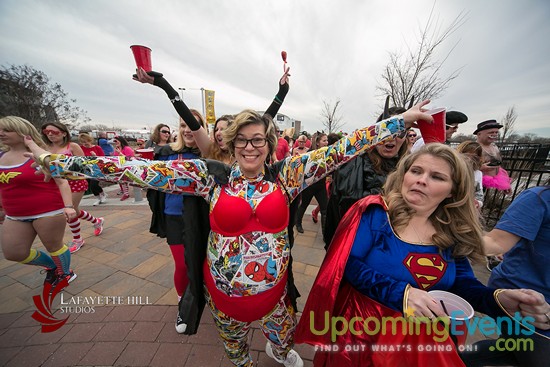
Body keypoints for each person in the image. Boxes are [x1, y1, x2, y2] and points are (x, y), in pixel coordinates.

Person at [26, 90, 432, 366]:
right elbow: (136, 170)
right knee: (236, 356)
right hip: (224, 297)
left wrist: (399, 122)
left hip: (274, 296)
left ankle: (278, 349)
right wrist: (57, 162)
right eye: (242, 139)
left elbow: (347, 146)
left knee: (283, 341)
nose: (250, 146)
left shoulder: (287, 175)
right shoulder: (209, 176)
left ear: (270, 144)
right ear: (232, 142)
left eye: (258, 139)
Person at [295, 143, 550, 367]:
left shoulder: (450, 230)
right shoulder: (374, 213)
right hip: (363, 331)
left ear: (452, 190)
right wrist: (403, 294)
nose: (421, 180)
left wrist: (499, 300)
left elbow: (463, 284)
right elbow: (349, 266)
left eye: (436, 176)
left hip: (421, 342)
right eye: (416, 171)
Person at [460, 183, 550, 367]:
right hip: (523, 296)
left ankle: (453, 358)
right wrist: (442, 237)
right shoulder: (539, 198)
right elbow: (495, 241)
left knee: (515, 351)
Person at [146, 110, 209, 334]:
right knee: (182, 264)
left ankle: (204, 296)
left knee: (204, 262)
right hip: (174, 215)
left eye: (193, 125)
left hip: (203, 218)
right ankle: (184, 303)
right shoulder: (165, 153)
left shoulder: (208, 153)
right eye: (183, 124)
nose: (187, 129)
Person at [0, 116, 77, 287]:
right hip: (14, 214)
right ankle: (52, 267)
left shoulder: (41, 153)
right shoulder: (1, 155)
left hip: (47, 211)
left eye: (7, 130)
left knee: (54, 246)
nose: (1, 133)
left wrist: (69, 207)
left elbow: (61, 181)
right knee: (14, 253)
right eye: (0, 130)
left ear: (23, 132)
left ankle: (64, 273)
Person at [323, 106, 408, 247]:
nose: (392, 138)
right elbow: (346, 208)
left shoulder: (411, 168)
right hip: (356, 246)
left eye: (400, 132)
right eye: (387, 130)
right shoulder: (354, 163)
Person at [41, 121, 104, 253]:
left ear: (64, 133)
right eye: (47, 132)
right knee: (74, 210)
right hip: (56, 184)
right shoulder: (45, 147)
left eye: (54, 132)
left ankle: (78, 239)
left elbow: (84, 166)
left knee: (70, 211)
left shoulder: (73, 146)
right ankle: (96, 221)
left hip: (75, 182)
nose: (51, 134)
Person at [295, 132, 329, 234]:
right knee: (304, 205)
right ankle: (298, 223)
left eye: (327, 140)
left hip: (321, 186)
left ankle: (325, 233)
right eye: (324, 141)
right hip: (309, 185)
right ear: (318, 142)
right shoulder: (310, 153)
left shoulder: (327, 152)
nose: (326, 142)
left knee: (325, 209)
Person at [474, 119, 512, 193]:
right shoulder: (473, 147)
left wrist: (505, 184)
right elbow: (462, 167)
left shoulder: (495, 147)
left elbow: (498, 166)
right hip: (474, 183)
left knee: (480, 203)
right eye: (491, 132)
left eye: (496, 132)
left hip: (487, 185)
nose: (494, 134)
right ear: (479, 134)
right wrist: (479, 168)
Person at [78, 133, 108, 206]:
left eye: (86, 141)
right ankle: (98, 198)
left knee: (93, 184)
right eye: (83, 142)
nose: (85, 144)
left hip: (97, 169)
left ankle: (102, 194)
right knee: (89, 185)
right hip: (86, 169)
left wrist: (95, 156)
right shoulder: (80, 148)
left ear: (90, 140)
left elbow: (103, 159)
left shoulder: (97, 148)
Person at [456, 140, 484, 209]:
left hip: (466, 208)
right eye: (466, 155)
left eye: (475, 156)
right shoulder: (453, 170)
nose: (470, 159)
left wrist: (478, 203)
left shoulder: (478, 174)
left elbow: (479, 194)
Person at [112, 136, 135, 201]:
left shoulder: (127, 148)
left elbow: (130, 159)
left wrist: (120, 153)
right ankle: (125, 193)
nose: (115, 143)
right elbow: (116, 158)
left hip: (129, 167)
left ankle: (126, 193)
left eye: (116, 141)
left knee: (125, 180)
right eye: (114, 141)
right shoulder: (117, 149)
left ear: (120, 141)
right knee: (121, 179)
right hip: (120, 167)